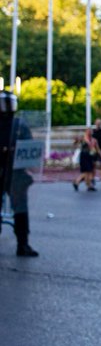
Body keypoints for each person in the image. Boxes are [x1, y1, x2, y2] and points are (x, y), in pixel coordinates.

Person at [0, 91, 38, 256]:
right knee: (20, 209)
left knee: (21, 209)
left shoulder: (20, 125)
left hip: (13, 173)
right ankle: (23, 244)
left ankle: (23, 244)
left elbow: (29, 149)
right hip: (15, 173)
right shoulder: (20, 125)